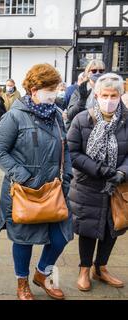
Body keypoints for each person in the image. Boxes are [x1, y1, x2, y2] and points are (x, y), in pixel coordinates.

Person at [0, 64, 74, 300]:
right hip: (24, 191)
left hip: (55, 190)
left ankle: (42, 273)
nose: (54, 94)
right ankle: (22, 283)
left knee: (61, 237)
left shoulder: (57, 115)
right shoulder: (14, 116)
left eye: (56, 89)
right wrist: (25, 177)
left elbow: (65, 147)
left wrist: (67, 175)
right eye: (50, 89)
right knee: (23, 239)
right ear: (34, 89)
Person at [67, 73, 128, 292]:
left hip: (118, 186)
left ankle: (100, 267)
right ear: (97, 94)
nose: (109, 99)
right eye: (105, 95)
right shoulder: (82, 119)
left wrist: (122, 172)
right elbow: (73, 153)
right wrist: (102, 170)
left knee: (114, 227)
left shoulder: (127, 119)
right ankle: (84, 269)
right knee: (88, 228)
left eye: (114, 95)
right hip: (87, 183)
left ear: (120, 95)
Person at [66, 60, 106, 129]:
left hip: (101, 128)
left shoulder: (108, 90)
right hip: (81, 128)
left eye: (101, 71)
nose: (98, 73)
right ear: (88, 73)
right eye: (94, 71)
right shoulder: (80, 90)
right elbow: (70, 115)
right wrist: (82, 100)